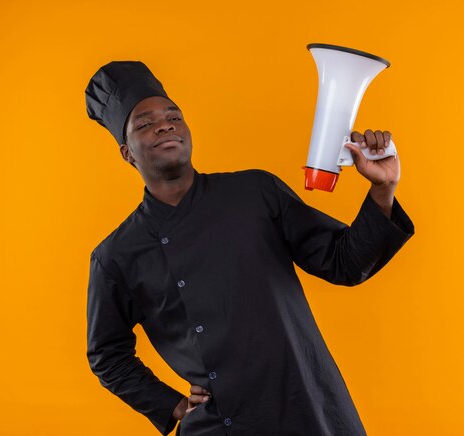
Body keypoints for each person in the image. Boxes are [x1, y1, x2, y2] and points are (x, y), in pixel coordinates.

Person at [85, 60, 414, 436]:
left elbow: (343, 263)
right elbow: (107, 355)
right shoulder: (116, 254)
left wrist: (382, 189)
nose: (164, 124)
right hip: (221, 425)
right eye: (144, 123)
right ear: (127, 153)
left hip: (306, 404)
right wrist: (170, 404)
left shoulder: (255, 192)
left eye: (173, 116)